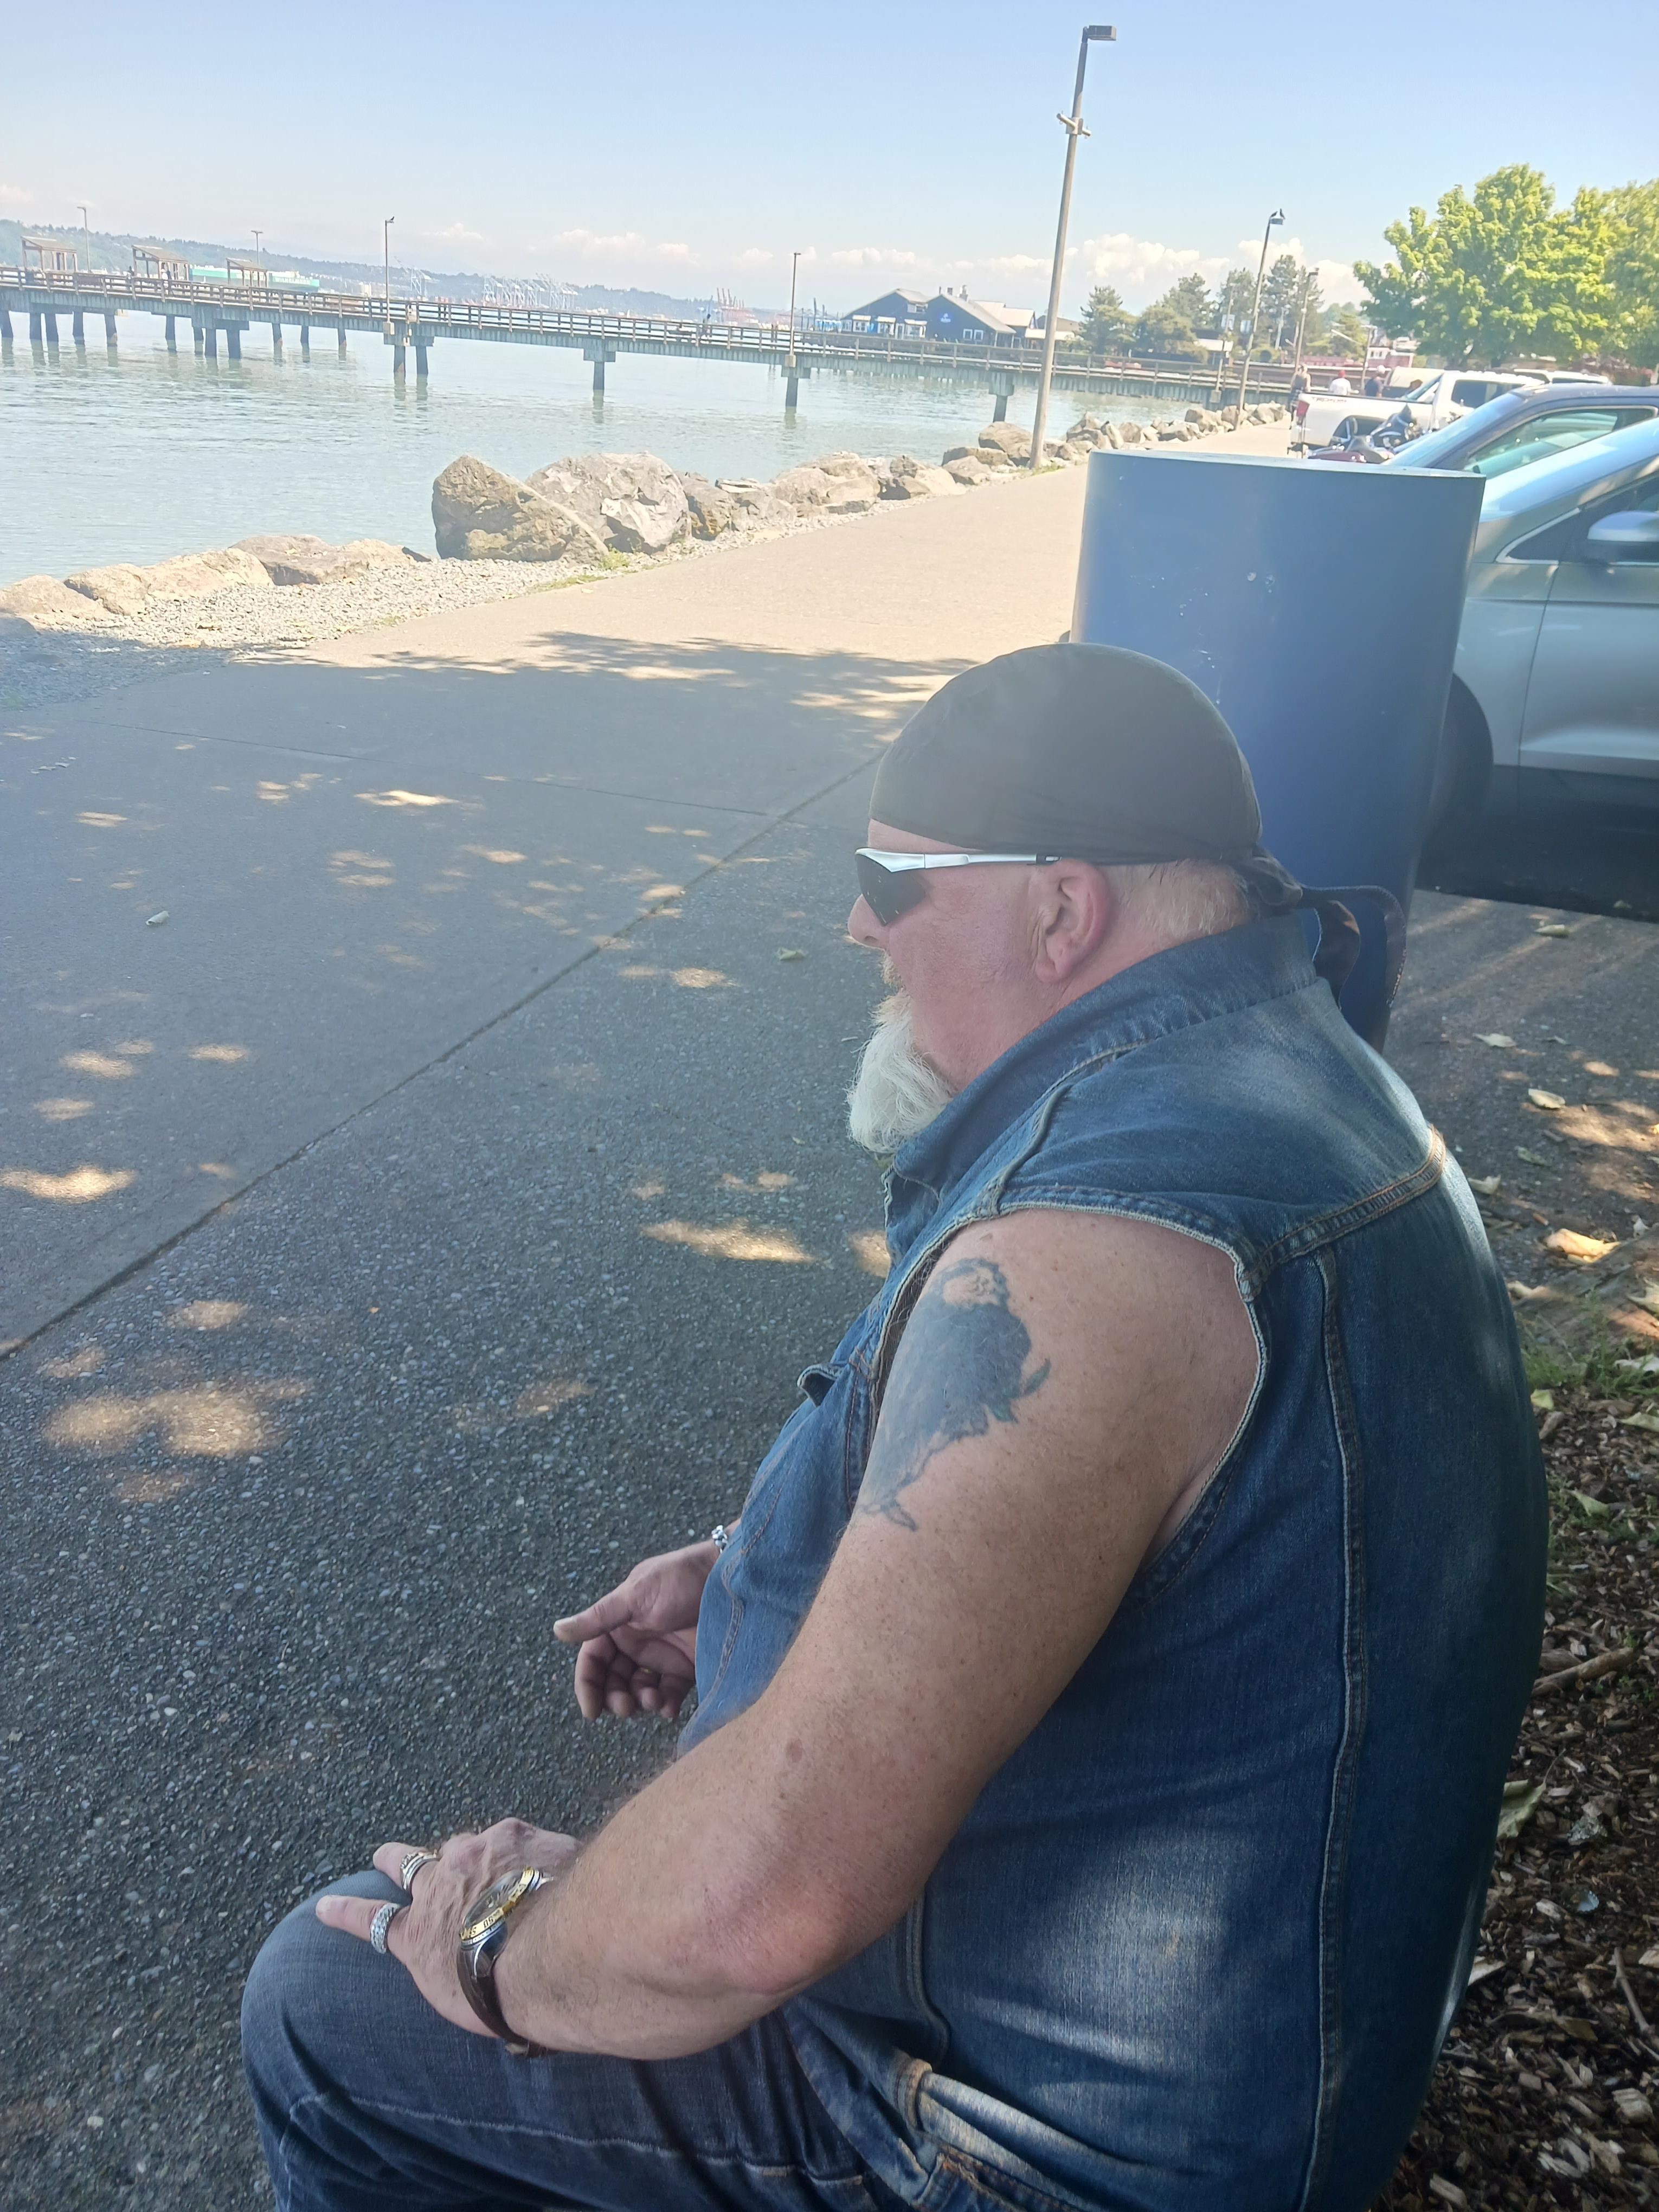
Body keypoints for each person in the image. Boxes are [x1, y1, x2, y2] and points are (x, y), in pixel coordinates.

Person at [242, 644, 1546, 2212]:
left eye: (890, 878)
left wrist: (503, 1947)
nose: (857, 923)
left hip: (1031, 2150)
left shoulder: (1095, 1242)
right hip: (1253, 2067)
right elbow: (1147, 1517)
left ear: (1062, 910)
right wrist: (756, 1571)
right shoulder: (1301, 1090)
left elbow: (763, 1909)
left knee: (331, 2000)